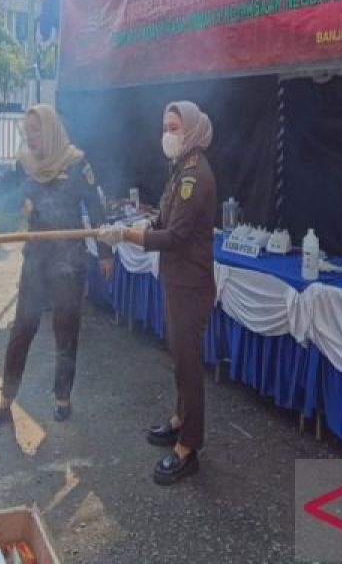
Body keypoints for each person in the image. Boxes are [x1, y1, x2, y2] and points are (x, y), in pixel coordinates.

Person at [0, 104, 113, 427]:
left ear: (51, 129)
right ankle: (5, 400)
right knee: (22, 329)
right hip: (37, 258)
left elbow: (96, 209)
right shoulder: (26, 164)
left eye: (36, 129)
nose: (30, 136)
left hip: (69, 260)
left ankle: (62, 397)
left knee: (66, 330)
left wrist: (105, 253)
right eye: (26, 130)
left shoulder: (76, 162)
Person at [99, 101, 217, 486]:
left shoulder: (195, 177)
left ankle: (189, 446)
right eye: (165, 127)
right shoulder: (180, 169)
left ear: (192, 130)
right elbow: (164, 219)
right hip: (177, 281)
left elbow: (176, 236)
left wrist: (127, 236)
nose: (167, 134)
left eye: (174, 128)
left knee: (187, 364)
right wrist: (137, 223)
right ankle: (181, 419)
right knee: (178, 358)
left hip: (190, 284)